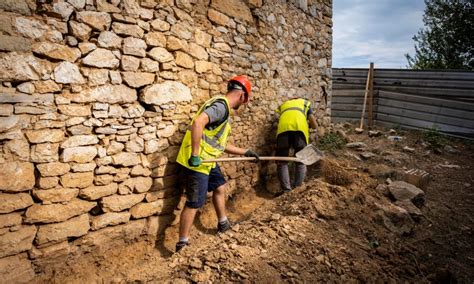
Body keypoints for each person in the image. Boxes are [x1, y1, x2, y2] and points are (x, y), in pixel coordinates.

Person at [174, 75, 260, 252]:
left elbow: (220, 144)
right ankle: (182, 244)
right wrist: (195, 154)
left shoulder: (223, 110)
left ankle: (223, 223)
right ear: (242, 96)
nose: (242, 105)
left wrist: (246, 152)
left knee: (219, 187)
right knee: (194, 203)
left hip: (209, 161)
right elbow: (198, 123)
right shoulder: (221, 107)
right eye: (244, 101)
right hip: (197, 162)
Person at [275, 97, 317, 194]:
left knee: (282, 161)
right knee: (301, 160)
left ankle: (286, 190)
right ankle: (297, 189)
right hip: (300, 129)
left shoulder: (284, 104)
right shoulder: (305, 103)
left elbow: (285, 117)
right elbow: (314, 125)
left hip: (283, 130)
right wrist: (311, 125)